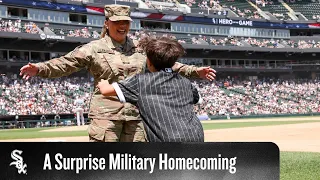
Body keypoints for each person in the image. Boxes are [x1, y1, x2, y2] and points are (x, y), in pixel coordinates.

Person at [19, 4, 216, 142]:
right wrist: (40, 69)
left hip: (136, 117)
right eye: (117, 21)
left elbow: (167, 63)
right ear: (106, 23)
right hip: (106, 118)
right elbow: (65, 63)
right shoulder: (93, 48)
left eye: (126, 22)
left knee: (136, 166)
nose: (122, 25)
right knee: (105, 165)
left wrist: (195, 71)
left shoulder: (141, 47)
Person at [97, 37, 204, 142]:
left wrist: (103, 81)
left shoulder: (140, 81)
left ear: (148, 62)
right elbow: (197, 99)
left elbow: (105, 90)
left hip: (167, 142)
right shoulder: (185, 82)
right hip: (196, 136)